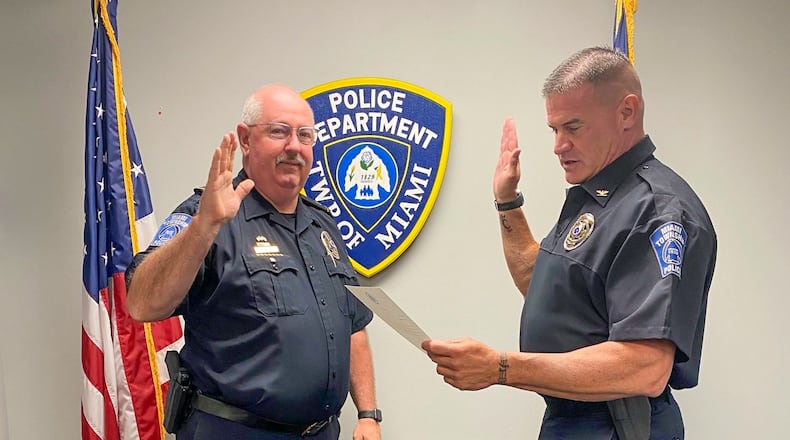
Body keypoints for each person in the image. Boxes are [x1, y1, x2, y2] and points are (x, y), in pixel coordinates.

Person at [422, 47, 717, 439]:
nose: (558, 146)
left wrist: (501, 367)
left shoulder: (655, 210)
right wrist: (507, 202)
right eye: (554, 130)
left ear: (627, 112)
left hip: (618, 424)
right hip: (572, 419)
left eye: (573, 128)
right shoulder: (601, 197)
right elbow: (546, 288)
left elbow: (645, 366)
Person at [126, 84, 383, 440]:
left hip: (322, 432)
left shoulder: (323, 225)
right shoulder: (207, 216)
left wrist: (368, 414)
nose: (294, 146)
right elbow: (141, 304)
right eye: (279, 131)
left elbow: (353, 325)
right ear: (245, 140)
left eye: (305, 135)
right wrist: (204, 226)